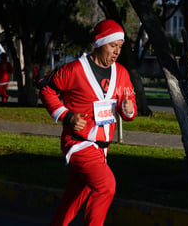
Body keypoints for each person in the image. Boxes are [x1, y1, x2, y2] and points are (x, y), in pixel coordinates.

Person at [38, 19, 137, 226]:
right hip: (78, 143)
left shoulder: (121, 73)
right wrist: (67, 116)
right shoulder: (74, 70)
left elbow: (129, 104)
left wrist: (128, 110)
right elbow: (46, 89)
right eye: (113, 46)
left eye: (120, 46)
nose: (117, 51)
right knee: (106, 185)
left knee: (74, 198)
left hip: (102, 149)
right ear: (100, 43)